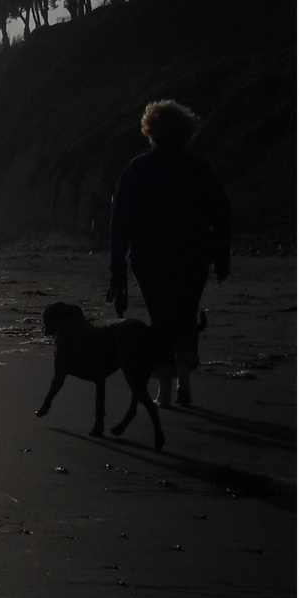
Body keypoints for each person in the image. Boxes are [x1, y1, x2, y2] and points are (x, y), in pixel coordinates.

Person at [106, 99, 231, 408]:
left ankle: (163, 391)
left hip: (149, 258)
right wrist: (221, 257)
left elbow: (120, 220)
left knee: (160, 319)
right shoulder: (198, 167)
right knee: (186, 315)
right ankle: (184, 384)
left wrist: (116, 266)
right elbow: (221, 214)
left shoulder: (137, 168)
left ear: (150, 131)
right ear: (187, 131)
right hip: (193, 255)